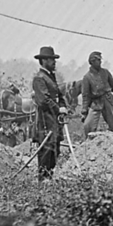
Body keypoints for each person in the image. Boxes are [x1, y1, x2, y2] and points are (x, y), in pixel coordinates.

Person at [31, 46, 68, 181]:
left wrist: (64, 107)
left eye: (54, 59)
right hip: (45, 121)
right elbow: (44, 101)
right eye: (51, 59)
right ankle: (43, 181)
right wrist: (59, 109)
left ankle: (49, 180)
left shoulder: (51, 77)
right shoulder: (39, 78)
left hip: (54, 121)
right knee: (46, 150)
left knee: (55, 150)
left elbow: (59, 95)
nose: (54, 62)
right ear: (44, 61)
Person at [81, 51, 113, 136]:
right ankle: (89, 142)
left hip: (108, 100)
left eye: (100, 59)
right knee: (88, 125)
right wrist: (84, 111)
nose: (100, 61)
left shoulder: (105, 72)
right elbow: (85, 96)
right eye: (98, 60)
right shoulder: (87, 77)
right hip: (96, 102)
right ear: (92, 61)